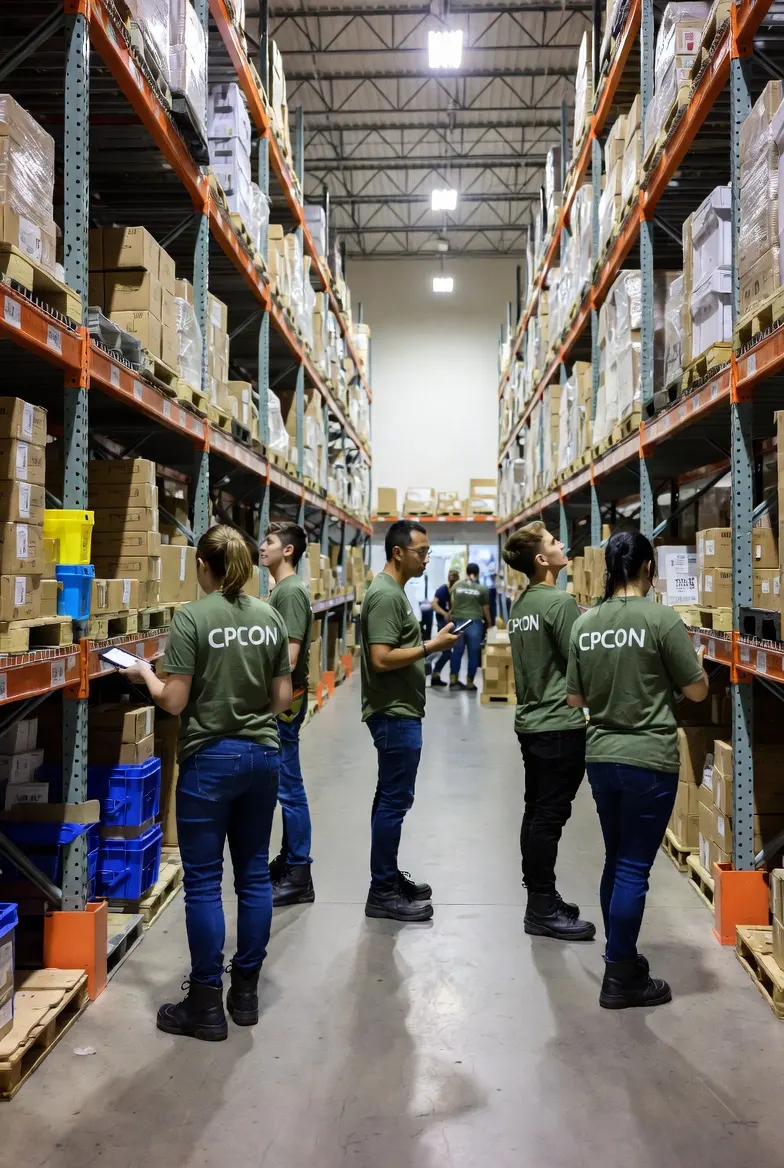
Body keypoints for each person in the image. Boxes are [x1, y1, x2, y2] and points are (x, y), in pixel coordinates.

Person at [122, 525, 292, 1041]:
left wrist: (143, 677)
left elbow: (173, 701)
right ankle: (245, 991)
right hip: (263, 757)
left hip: (210, 762)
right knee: (254, 876)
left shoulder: (193, 617)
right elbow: (283, 698)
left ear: (203, 566)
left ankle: (205, 1005)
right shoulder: (269, 616)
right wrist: (247, 717)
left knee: (201, 883)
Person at [566, 530, 708, 1010]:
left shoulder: (586, 625)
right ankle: (620, 976)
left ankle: (618, 956)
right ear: (649, 568)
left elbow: (575, 698)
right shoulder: (662, 620)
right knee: (633, 867)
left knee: (615, 858)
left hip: (602, 756)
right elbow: (697, 693)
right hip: (649, 760)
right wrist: (693, 670)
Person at [361, 519, 458, 921]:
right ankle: (382, 891)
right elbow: (380, 659)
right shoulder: (385, 596)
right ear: (398, 552)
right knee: (394, 802)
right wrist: (432, 646)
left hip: (400, 711)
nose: (426, 558)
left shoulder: (395, 592)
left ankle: (384, 878)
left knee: (390, 798)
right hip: (394, 714)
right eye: (421, 552)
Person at [503, 523, 596, 942]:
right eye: (554, 543)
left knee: (535, 810)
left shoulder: (521, 605)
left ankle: (541, 896)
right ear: (542, 560)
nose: (563, 545)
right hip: (559, 724)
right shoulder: (558, 602)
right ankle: (541, 906)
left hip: (532, 723)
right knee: (549, 817)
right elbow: (579, 662)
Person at [261, 521, 315, 908]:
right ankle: (287, 861)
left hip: (285, 700)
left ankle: (299, 872)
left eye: (270, 542)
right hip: (280, 697)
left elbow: (291, 655)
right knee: (284, 785)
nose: (262, 547)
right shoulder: (280, 589)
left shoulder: (291, 592)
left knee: (289, 788)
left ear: (289, 551)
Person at [449, 562, 492, 691]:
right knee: (473, 653)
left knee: (457, 651)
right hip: (474, 623)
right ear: (478, 573)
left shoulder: (457, 585)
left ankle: (453, 680)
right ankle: (469, 682)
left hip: (459, 622)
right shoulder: (482, 589)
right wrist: (489, 624)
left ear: (466, 572)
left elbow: (453, 602)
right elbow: (485, 608)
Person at [430, 568, 459, 687]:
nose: (452, 578)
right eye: (450, 576)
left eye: (454, 576)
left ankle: (443, 676)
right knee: (446, 653)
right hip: (443, 624)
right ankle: (435, 675)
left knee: (453, 652)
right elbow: (433, 604)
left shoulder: (457, 590)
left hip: (453, 623)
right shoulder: (443, 589)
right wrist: (445, 613)